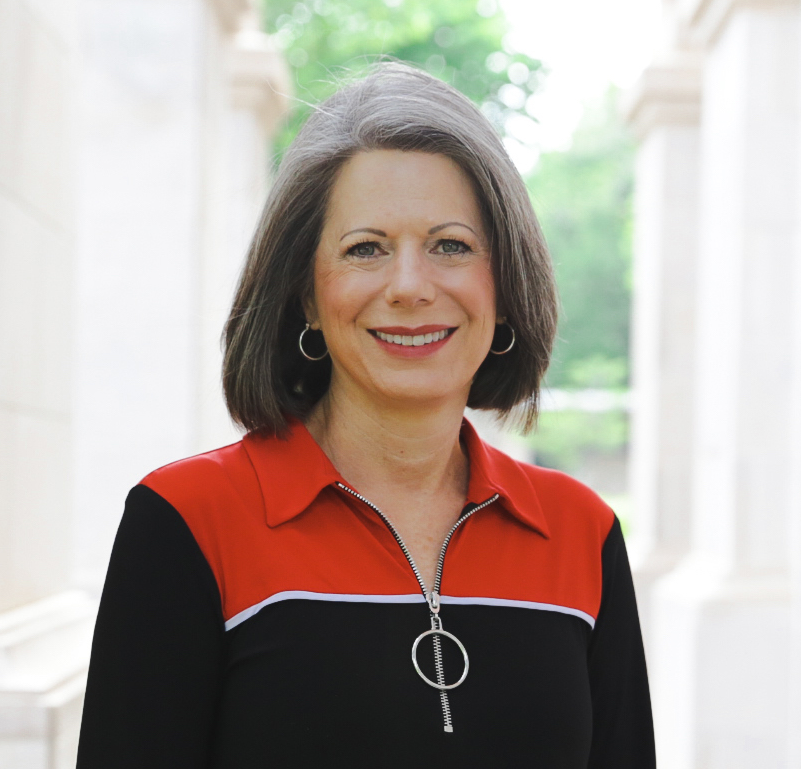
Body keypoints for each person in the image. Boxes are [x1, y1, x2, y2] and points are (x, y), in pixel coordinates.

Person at [77, 62, 655, 768]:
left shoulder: (580, 531)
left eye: (450, 245)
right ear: (306, 297)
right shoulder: (188, 520)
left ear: (503, 286)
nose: (410, 286)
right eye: (365, 249)